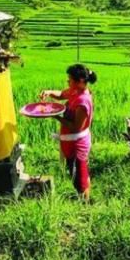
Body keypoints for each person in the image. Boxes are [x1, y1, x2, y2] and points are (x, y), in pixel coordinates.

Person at [39, 64, 96, 201]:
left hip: (77, 144)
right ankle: (83, 196)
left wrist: (56, 115)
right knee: (76, 172)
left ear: (80, 81)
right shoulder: (75, 91)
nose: (68, 81)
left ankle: (85, 203)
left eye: (70, 79)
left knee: (79, 176)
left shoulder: (83, 101)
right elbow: (61, 94)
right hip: (70, 142)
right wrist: (49, 92)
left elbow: (76, 127)